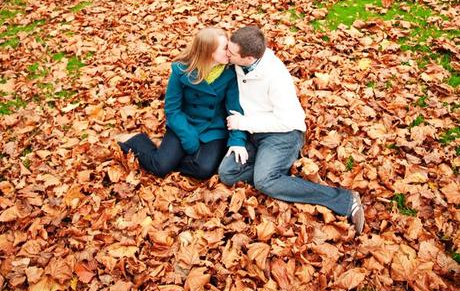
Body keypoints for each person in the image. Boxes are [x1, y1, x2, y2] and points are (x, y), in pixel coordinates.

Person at [218, 26, 365, 235]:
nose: (227, 55)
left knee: (264, 181)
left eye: (231, 53)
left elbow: (285, 121)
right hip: (252, 131)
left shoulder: (276, 77)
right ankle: (274, 172)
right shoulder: (239, 63)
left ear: (249, 58)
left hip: (283, 134)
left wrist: (244, 123)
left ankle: (345, 200)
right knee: (227, 173)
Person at [117, 27, 247, 180]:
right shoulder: (182, 71)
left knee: (204, 170)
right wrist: (187, 135)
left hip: (213, 128)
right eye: (225, 48)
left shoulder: (230, 73)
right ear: (208, 52)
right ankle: (136, 141)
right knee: (160, 167)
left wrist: (237, 140)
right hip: (185, 122)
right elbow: (172, 109)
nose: (229, 51)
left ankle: (170, 156)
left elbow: (235, 110)